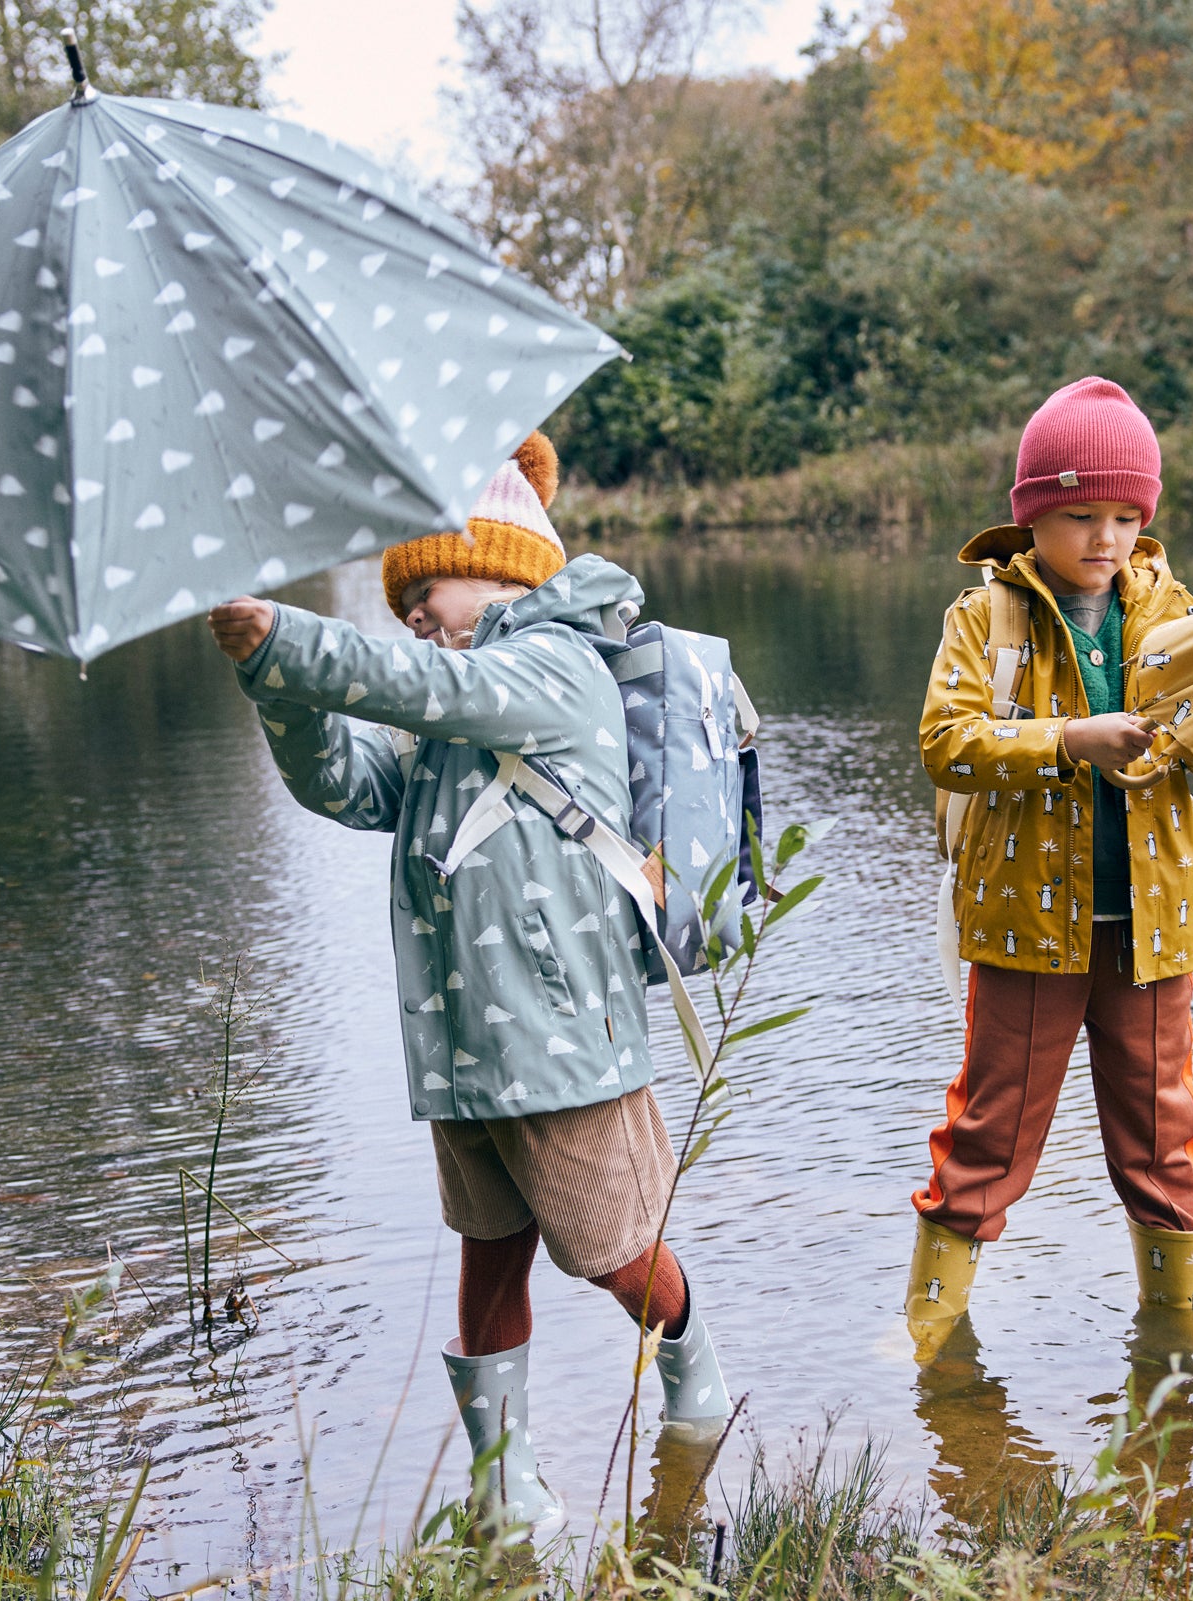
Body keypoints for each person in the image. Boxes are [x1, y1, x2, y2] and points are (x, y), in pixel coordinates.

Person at [205, 433, 728, 1537]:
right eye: (399, 599)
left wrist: (287, 636)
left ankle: (695, 1374)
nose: (410, 613)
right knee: (488, 1261)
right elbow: (341, 783)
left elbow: (426, 681)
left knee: (615, 1253)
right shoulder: (450, 719)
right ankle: (503, 1478)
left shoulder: (549, 670)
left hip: (561, 1038)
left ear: (500, 567)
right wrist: (275, 683)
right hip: (460, 1049)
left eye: (421, 584)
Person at [908, 376, 1193, 1359]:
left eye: (1127, 515)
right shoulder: (984, 617)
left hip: (1152, 923)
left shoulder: (1174, 613)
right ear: (1034, 514)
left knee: (1162, 1134)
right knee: (990, 1130)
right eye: (1083, 514)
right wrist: (1068, 737)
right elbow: (946, 742)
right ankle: (932, 1331)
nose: (1108, 538)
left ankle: (1175, 1335)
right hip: (1027, 925)